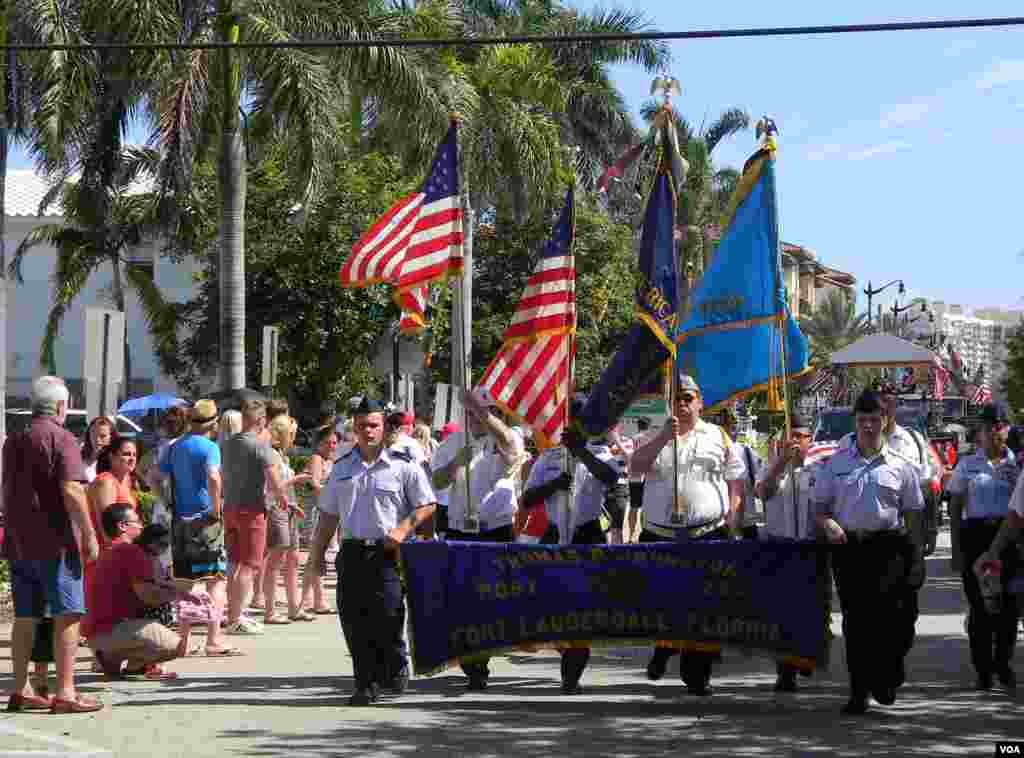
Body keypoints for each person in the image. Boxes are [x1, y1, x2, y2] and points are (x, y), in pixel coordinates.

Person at [308, 397, 437, 706]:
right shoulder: (341, 469)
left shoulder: (403, 465)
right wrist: (316, 557)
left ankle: (395, 663)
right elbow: (328, 516)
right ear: (354, 427)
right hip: (352, 552)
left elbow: (428, 504)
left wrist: (403, 529)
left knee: (389, 616)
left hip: (389, 553)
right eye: (362, 425)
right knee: (354, 620)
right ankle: (365, 683)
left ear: (383, 427)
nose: (368, 431)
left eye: (374, 425)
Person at [629, 373, 746, 697]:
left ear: (700, 402)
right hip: (661, 535)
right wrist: (663, 437)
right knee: (663, 604)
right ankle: (663, 649)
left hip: (707, 533)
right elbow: (635, 467)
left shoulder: (718, 436)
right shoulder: (653, 435)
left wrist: (733, 515)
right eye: (677, 398)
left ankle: (697, 674)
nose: (682, 403)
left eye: (688, 397)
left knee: (706, 606)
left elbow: (735, 479)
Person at [814, 389, 925, 715]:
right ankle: (859, 690)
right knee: (857, 623)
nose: (868, 426)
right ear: (855, 422)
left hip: (890, 548)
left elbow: (914, 514)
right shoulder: (835, 465)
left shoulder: (901, 466)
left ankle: (889, 672)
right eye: (862, 420)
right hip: (851, 551)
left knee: (896, 622)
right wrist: (828, 525)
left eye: (874, 420)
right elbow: (820, 509)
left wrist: (917, 559)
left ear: (885, 421)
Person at [3, 375, 102, 713]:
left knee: (26, 616)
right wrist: (89, 533)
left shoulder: (13, 440)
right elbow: (73, 490)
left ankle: (20, 688)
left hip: (19, 542)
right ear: (62, 406)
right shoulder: (62, 438)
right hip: (56, 542)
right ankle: (66, 691)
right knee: (67, 614)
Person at [520, 396, 623, 693]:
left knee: (584, 608)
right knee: (548, 604)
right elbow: (527, 500)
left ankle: (572, 673)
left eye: (582, 421)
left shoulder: (600, 453)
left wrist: (581, 453)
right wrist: (554, 485)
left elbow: (611, 478)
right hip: (554, 535)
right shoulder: (550, 457)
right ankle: (563, 647)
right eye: (572, 419)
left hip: (586, 535)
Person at [432, 388, 525, 691]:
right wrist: (456, 461)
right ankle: (474, 664)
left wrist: (485, 417)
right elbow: (436, 481)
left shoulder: (508, 437)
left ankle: (485, 649)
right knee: (463, 599)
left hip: (495, 530)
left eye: (483, 412)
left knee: (493, 599)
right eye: (470, 413)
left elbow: (512, 450)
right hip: (461, 530)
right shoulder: (455, 441)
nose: (475, 419)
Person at [947, 403, 1018, 690]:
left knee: (1009, 607)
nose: (993, 433)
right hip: (975, 536)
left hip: (1008, 537)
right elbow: (955, 507)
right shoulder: (967, 465)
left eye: (998, 426)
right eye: (987, 428)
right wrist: (956, 549)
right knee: (979, 607)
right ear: (980, 433)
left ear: (1007, 429)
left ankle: (1003, 662)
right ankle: (983, 669)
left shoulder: (1017, 465)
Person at [754, 414, 826, 692]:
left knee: (810, 611)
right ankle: (785, 671)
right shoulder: (770, 466)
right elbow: (762, 492)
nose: (795, 441)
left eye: (801, 436)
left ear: (810, 440)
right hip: (779, 547)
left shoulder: (820, 470)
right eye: (791, 435)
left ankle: (805, 654)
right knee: (781, 613)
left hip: (809, 548)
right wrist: (780, 464)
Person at [160, 399, 234, 656]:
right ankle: (213, 639)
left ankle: (182, 641)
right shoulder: (210, 447)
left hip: (180, 521)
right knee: (216, 581)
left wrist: (165, 501)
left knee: (184, 583)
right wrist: (215, 509)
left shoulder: (174, 447)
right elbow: (214, 477)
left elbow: (154, 477)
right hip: (205, 523)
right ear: (214, 423)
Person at [87, 505, 193, 680]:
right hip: (114, 629)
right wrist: (180, 598)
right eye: (137, 522)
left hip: (95, 632)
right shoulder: (132, 551)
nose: (142, 526)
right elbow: (149, 596)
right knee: (180, 647)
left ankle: (117, 659)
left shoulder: (104, 550)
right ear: (122, 526)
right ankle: (122, 660)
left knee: (150, 626)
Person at [221, 397, 289, 634]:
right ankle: (236, 618)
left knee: (233, 563)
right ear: (261, 420)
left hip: (229, 508)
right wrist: (284, 499)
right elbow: (275, 482)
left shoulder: (228, 444)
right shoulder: (261, 446)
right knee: (249, 565)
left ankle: (232, 615)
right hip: (251, 510)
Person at [262, 414, 313, 624]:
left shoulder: (282, 455)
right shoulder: (271, 454)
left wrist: (293, 505)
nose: (293, 437)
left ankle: (294, 607)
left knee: (293, 559)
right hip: (275, 509)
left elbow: (281, 488)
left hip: (287, 508)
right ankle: (270, 610)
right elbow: (272, 488)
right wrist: (297, 478)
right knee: (276, 560)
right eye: (292, 433)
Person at [300, 424, 339, 616]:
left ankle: (307, 600)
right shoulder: (317, 459)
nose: (332, 446)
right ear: (319, 444)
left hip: (327, 511)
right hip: (316, 512)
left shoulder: (333, 460)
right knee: (316, 556)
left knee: (315, 557)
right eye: (327, 443)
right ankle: (318, 600)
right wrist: (335, 491)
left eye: (334, 442)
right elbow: (315, 484)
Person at [81, 416, 114, 484]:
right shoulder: (78, 456)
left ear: (111, 437)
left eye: (103, 436)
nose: (97, 440)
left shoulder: (114, 460)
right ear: (88, 435)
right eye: (94, 435)